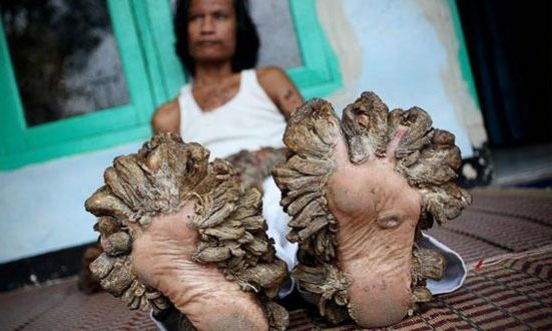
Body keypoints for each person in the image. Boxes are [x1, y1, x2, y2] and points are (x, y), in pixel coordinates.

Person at [137, 0, 467, 329]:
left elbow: (308, 134)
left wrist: (270, 164)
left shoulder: (267, 81)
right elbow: (166, 181)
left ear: (239, 27)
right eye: (197, 18)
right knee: (214, 234)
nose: (207, 26)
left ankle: (342, 258)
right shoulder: (169, 115)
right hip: (215, 201)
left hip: (278, 178)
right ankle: (222, 292)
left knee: (293, 214)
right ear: (183, 31)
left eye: (219, 16)